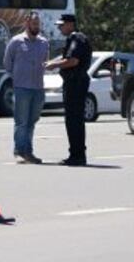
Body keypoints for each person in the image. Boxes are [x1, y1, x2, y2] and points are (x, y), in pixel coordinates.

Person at [45, 13, 93, 166]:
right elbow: (67, 58)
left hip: (76, 82)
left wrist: (54, 65)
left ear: (71, 24)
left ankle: (77, 155)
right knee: (73, 119)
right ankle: (75, 153)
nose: (59, 28)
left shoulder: (76, 38)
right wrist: (52, 62)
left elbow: (73, 60)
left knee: (74, 120)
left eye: (62, 24)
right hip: (74, 82)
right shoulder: (75, 38)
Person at [3, 11, 49, 164]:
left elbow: (45, 63)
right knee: (21, 121)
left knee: (32, 121)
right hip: (22, 88)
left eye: (38, 24)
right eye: (34, 23)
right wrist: (17, 78)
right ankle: (21, 151)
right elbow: (7, 63)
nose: (37, 26)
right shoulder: (16, 41)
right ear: (27, 23)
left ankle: (27, 151)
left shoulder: (44, 43)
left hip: (38, 88)